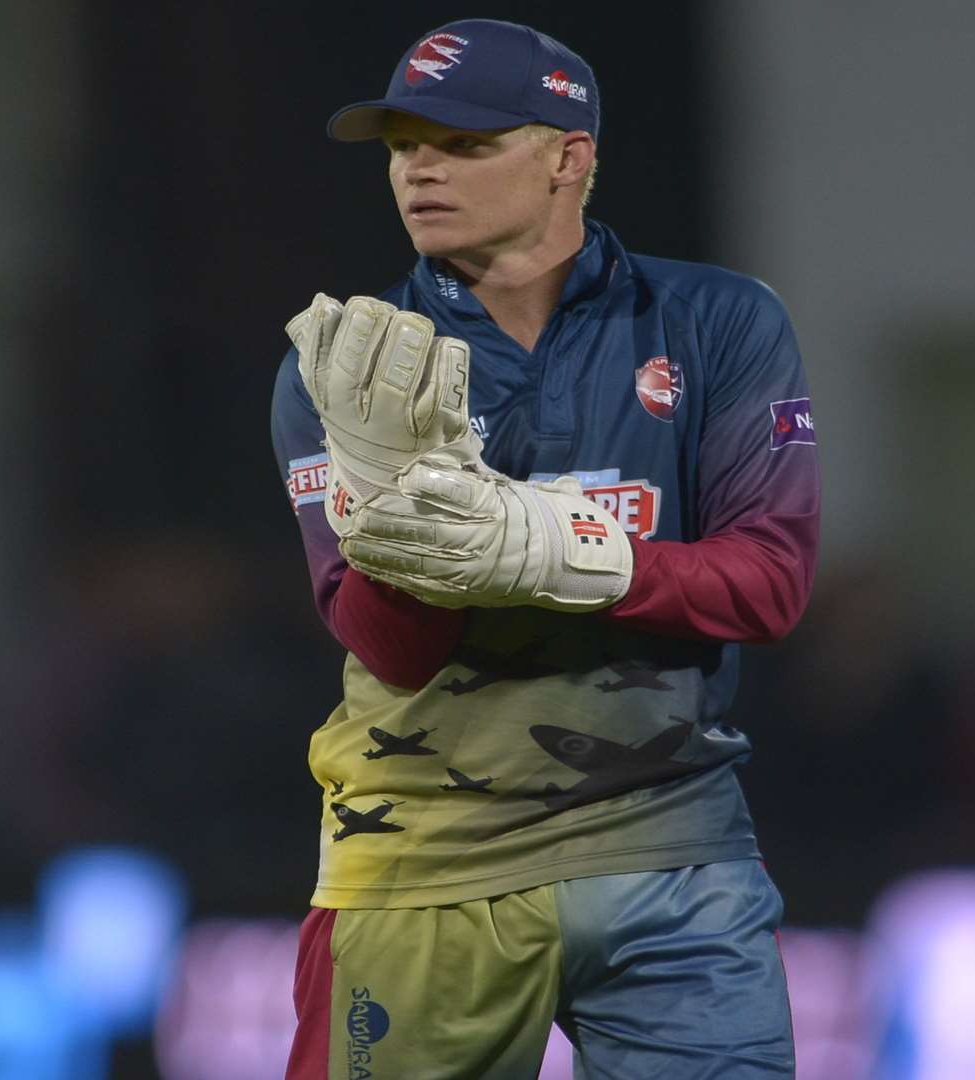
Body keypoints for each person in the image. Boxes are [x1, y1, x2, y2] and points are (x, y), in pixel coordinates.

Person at [268, 18, 819, 1079]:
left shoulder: (717, 321)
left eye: (464, 142)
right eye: (401, 144)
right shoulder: (345, 363)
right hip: (423, 856)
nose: (420, 167)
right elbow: (389, 649)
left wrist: (558, 548)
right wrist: (388, 506)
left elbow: (773, 584)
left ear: (571, 156)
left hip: (674, 848)